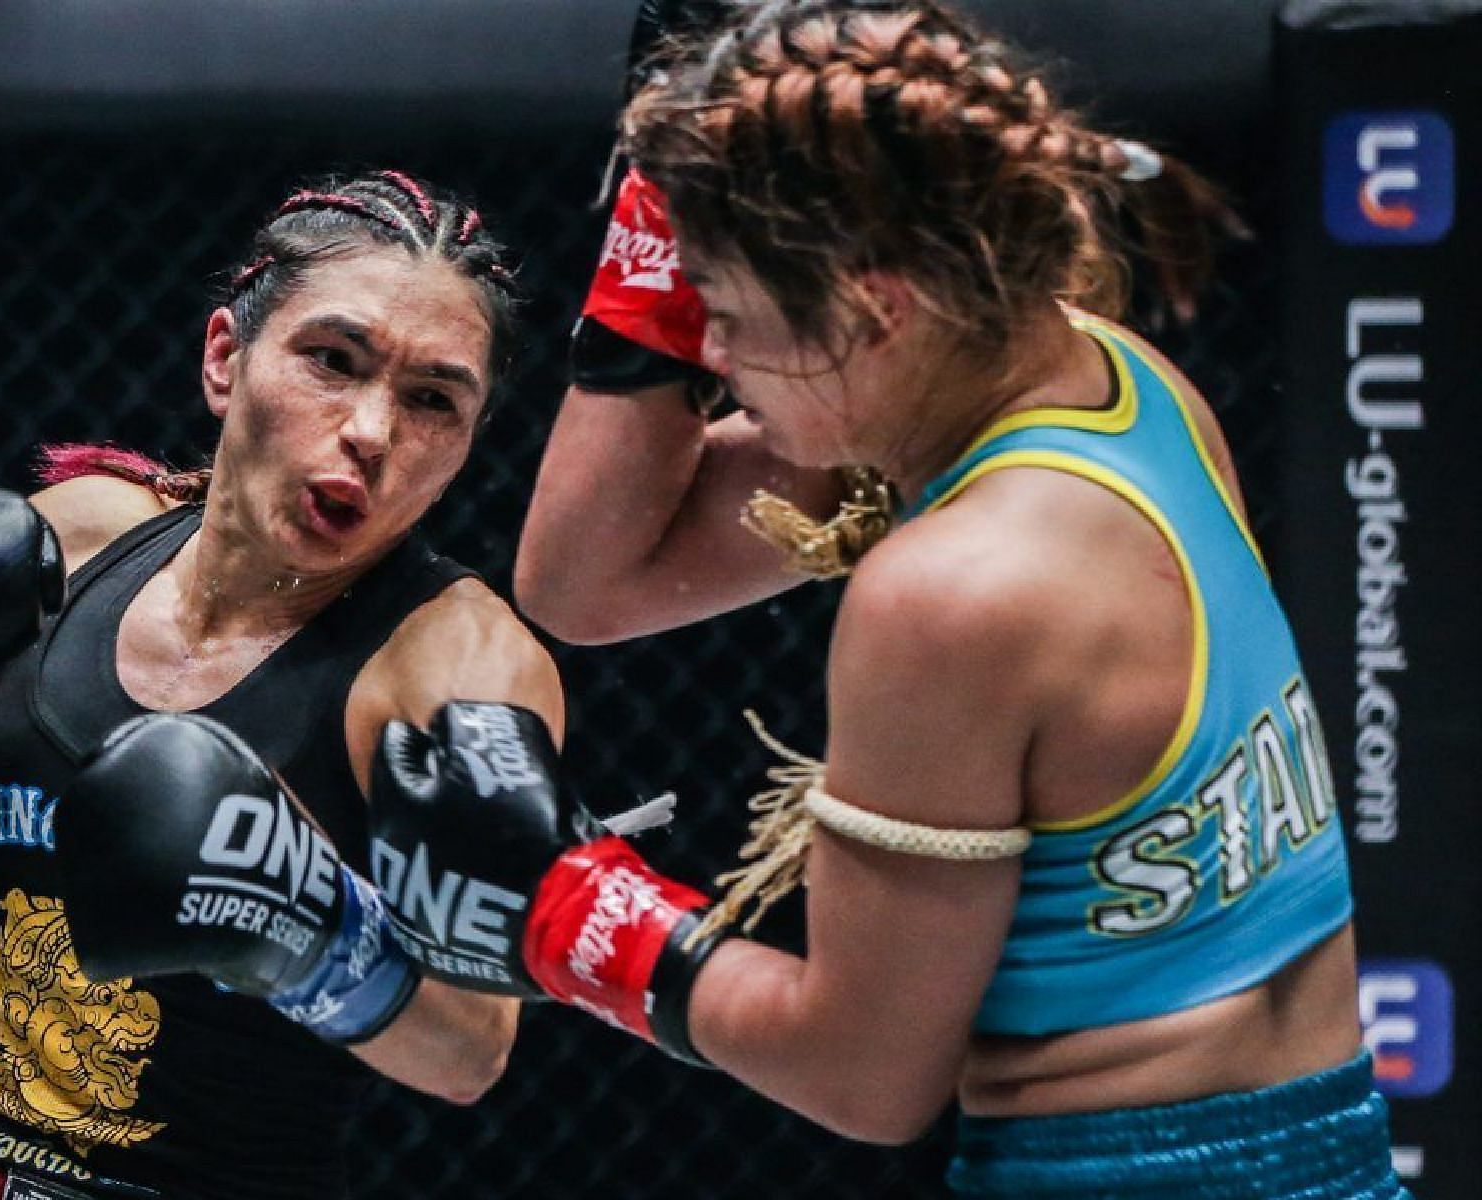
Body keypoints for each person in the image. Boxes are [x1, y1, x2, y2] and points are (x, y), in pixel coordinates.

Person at [362, 3, 1409, 1197]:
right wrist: (688, 179)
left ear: (872, 311)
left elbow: (863, 1080)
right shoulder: (1113, 380)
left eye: (732, 320)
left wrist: (569, 909)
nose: (710, 361)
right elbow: (589, 580)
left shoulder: (951, 598)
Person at [0, 170, 564, 1200]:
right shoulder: (83, 539)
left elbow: (470, 1051)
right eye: (333, 360)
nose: (372, 428)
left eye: (433, 399)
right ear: (227, 357)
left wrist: (312, 928)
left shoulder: (455, 663)